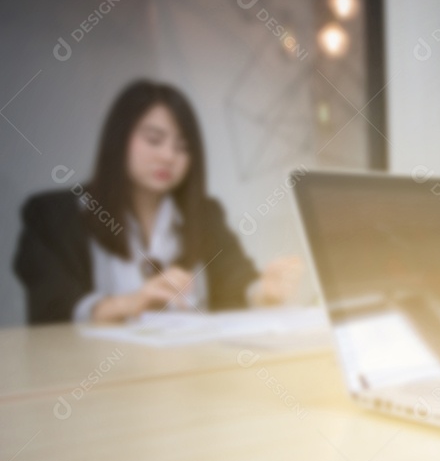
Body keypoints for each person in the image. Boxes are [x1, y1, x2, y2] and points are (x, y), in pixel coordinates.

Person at [14, 80, 302, 325]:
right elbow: (51, 305)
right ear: (119, 140)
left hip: (191, 375)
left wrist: (263, 290)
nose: (168, 156)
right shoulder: (52, 216)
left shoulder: (205, 214)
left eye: (182, 147)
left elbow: (234, 280)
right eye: (154, 140)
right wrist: (128, 304)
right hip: (96, 378)